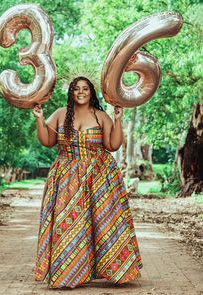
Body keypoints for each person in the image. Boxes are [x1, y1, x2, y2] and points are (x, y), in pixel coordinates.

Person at [33, 76, 143, 289]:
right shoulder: (59, 114)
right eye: (76, 89)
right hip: (67, 179)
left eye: (85, 89)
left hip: (99, 177)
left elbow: (113, 145)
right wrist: (39, 118)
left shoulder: (101, 116)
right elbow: (47, 141)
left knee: (102, 223)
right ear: (71, 92)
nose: (80, 92)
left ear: (91, 92)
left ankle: (113, 270)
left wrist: (118, 119)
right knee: (69, 224)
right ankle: (68, 274)